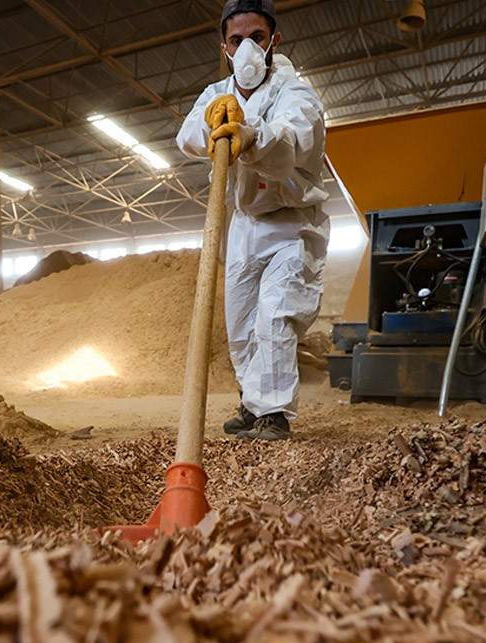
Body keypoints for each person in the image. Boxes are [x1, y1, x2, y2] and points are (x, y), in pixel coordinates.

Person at [175, 0, 328, 441]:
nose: (246, 49)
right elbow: (186, 135)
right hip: (244, 224)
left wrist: (250, 135)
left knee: (275, 315)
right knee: (240, 325)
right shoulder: (216, 94)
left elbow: (292, 140)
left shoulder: (295, 93)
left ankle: (274, 414)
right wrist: (212, 125)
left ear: (273, 41)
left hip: (292, 224)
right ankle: (251, 401)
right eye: (236, 40)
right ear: (223, 46)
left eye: (256, 38)